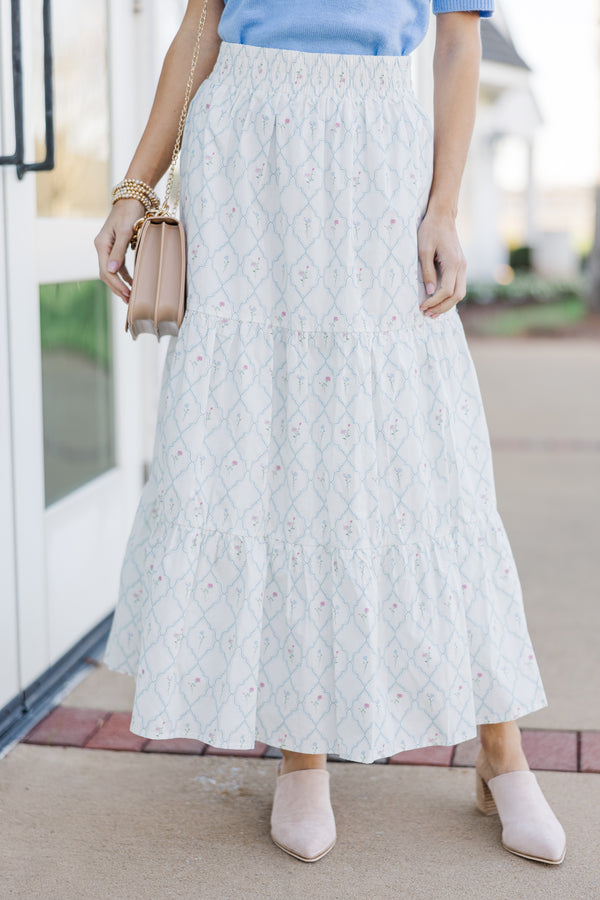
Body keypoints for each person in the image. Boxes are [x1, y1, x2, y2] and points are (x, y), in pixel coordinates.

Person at [94, 0, 566, 865]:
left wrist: (446, 208)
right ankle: (301, 745)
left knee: (429, 455)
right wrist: (137, 182)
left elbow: (460, 37)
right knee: (274, 450)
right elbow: (203, 21)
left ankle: (500, 749)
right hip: (244, 156)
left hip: (379, 155)